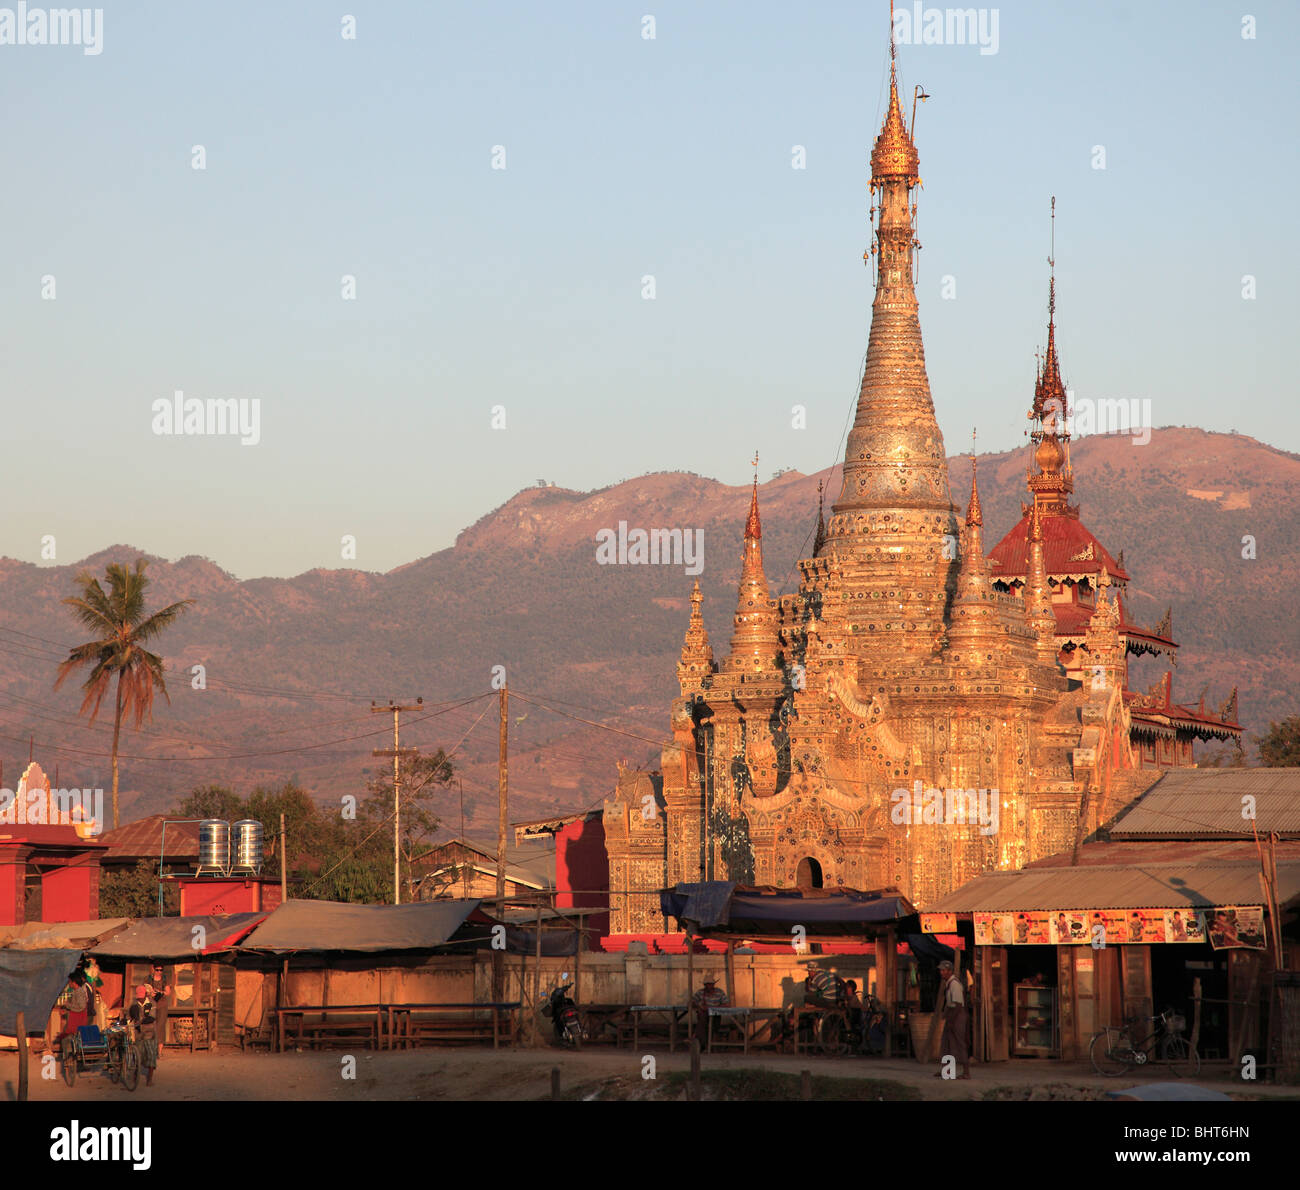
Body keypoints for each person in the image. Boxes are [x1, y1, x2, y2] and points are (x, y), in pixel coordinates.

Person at [935, 960, 970, 1080]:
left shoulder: (954, 984)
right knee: (947, 1043)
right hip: (952, 1014)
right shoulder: (948, 983)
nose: (941, 972)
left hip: (957, 1015)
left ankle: (966, 1072)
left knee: (959, 1043)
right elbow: (949, 1003)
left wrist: (951, 1021)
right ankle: (947, 1070)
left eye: (943, 970)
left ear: (949, 971)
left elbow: (958, 1004)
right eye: (940, 970)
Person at [128, 984, 160, 1087]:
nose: (141, 999)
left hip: (150, 1034)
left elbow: (152, 1017)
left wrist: (140, 1020)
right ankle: (134, 1077)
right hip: (139, 1035)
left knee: (151, 1056)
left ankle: (149, 1079)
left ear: (146, 994)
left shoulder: (152, 1003)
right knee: (137, 1057)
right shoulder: (134, 1006)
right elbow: (130, 1017)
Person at [59, 971, 90, 1040]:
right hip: (75, 1019)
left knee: (71, 1038)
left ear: (73, 982)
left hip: (78, 1020)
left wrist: (68, 1005)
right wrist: (67, 1011)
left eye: (69, 981)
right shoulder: (76, 991)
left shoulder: (79, 992)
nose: (69, 983)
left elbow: (82, 1006)